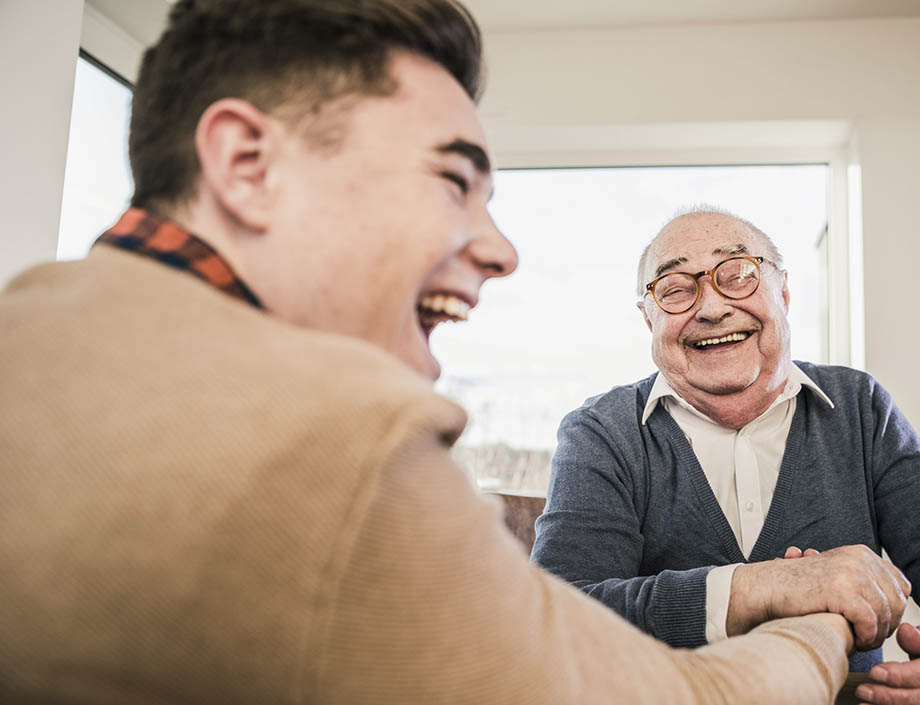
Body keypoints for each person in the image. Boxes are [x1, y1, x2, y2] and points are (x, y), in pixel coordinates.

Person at [0, 2, 857, 703]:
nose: (500, 249)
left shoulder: (29, 330)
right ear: (246, 162)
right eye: (453, 180)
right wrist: (822, 619)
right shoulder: (340, 449)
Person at [531, 206, 920, 705]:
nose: (712, 308)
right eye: (676, 289)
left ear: (783, 291)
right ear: (648, 315)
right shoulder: (600, 430)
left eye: (739, 275)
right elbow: (556, 615)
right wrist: (762, 587)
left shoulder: (859, 406)